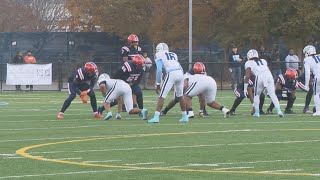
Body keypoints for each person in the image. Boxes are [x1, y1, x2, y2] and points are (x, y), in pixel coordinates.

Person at [148, 43, 188, 123]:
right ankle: (185, 117)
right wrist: (182, 78)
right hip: (180, 73)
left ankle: (156, 117)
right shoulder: (173, 54)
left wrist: (158, 83)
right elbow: (180, 66)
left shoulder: (158, 54)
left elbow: (159, 70)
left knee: (161, 96)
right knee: (180, 96)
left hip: (171, 73)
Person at [244, 49, 283, 117]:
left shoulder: (248, 62)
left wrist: (245, 88)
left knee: (257, 95)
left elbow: (247, 76)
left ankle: (257, 113)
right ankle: (279, 110)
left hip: (259, 76)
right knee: (273, 94)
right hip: (269, 75)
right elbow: (267, 69)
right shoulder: (263, 60)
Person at [302, 45, 320, 116]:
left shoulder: (307, 60)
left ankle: (318, 111)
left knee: (316, 93)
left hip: (318, 76)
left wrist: (306, 85)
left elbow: (307, 73)